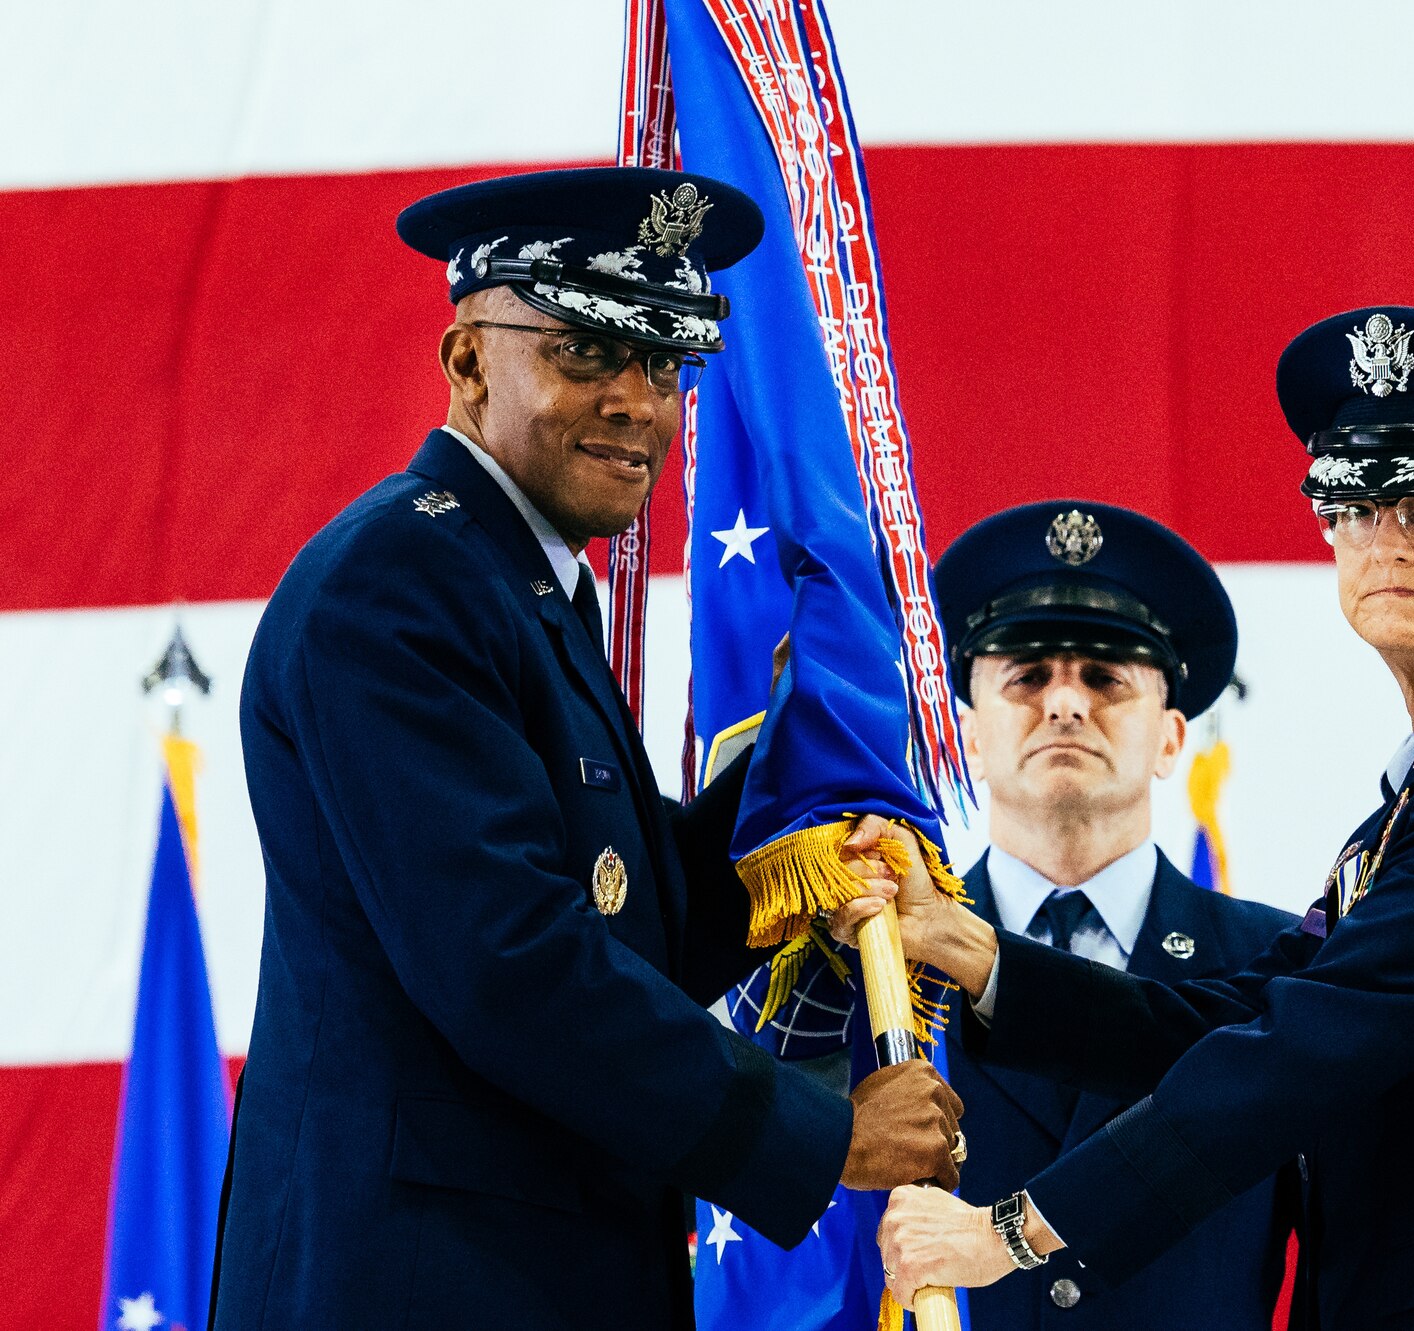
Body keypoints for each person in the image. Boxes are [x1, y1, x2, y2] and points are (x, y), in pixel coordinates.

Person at [845, 308, 1414, 1329]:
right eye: (1352, 504)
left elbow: (1301, 1047)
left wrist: (1016, 1229)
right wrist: (980, 953)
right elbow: (1246, 1013)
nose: (1384, 539)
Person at [211, 168, 961, 1331]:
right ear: (468, 362)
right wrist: (822, 1134)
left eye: (664, 365)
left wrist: (801, 781)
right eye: (584, 354)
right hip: (418, 1285)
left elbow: (622, 916)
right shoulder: (396, 584)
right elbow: (508, 957)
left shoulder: (512, 584)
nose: (636, 402)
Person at [934, 501, 1300, 1327]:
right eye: (1026, 675)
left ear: (1173, 739)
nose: (1065, 704)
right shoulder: (878, 970)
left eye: (1106, 678)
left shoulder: (1274, 963)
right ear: (970, 736)